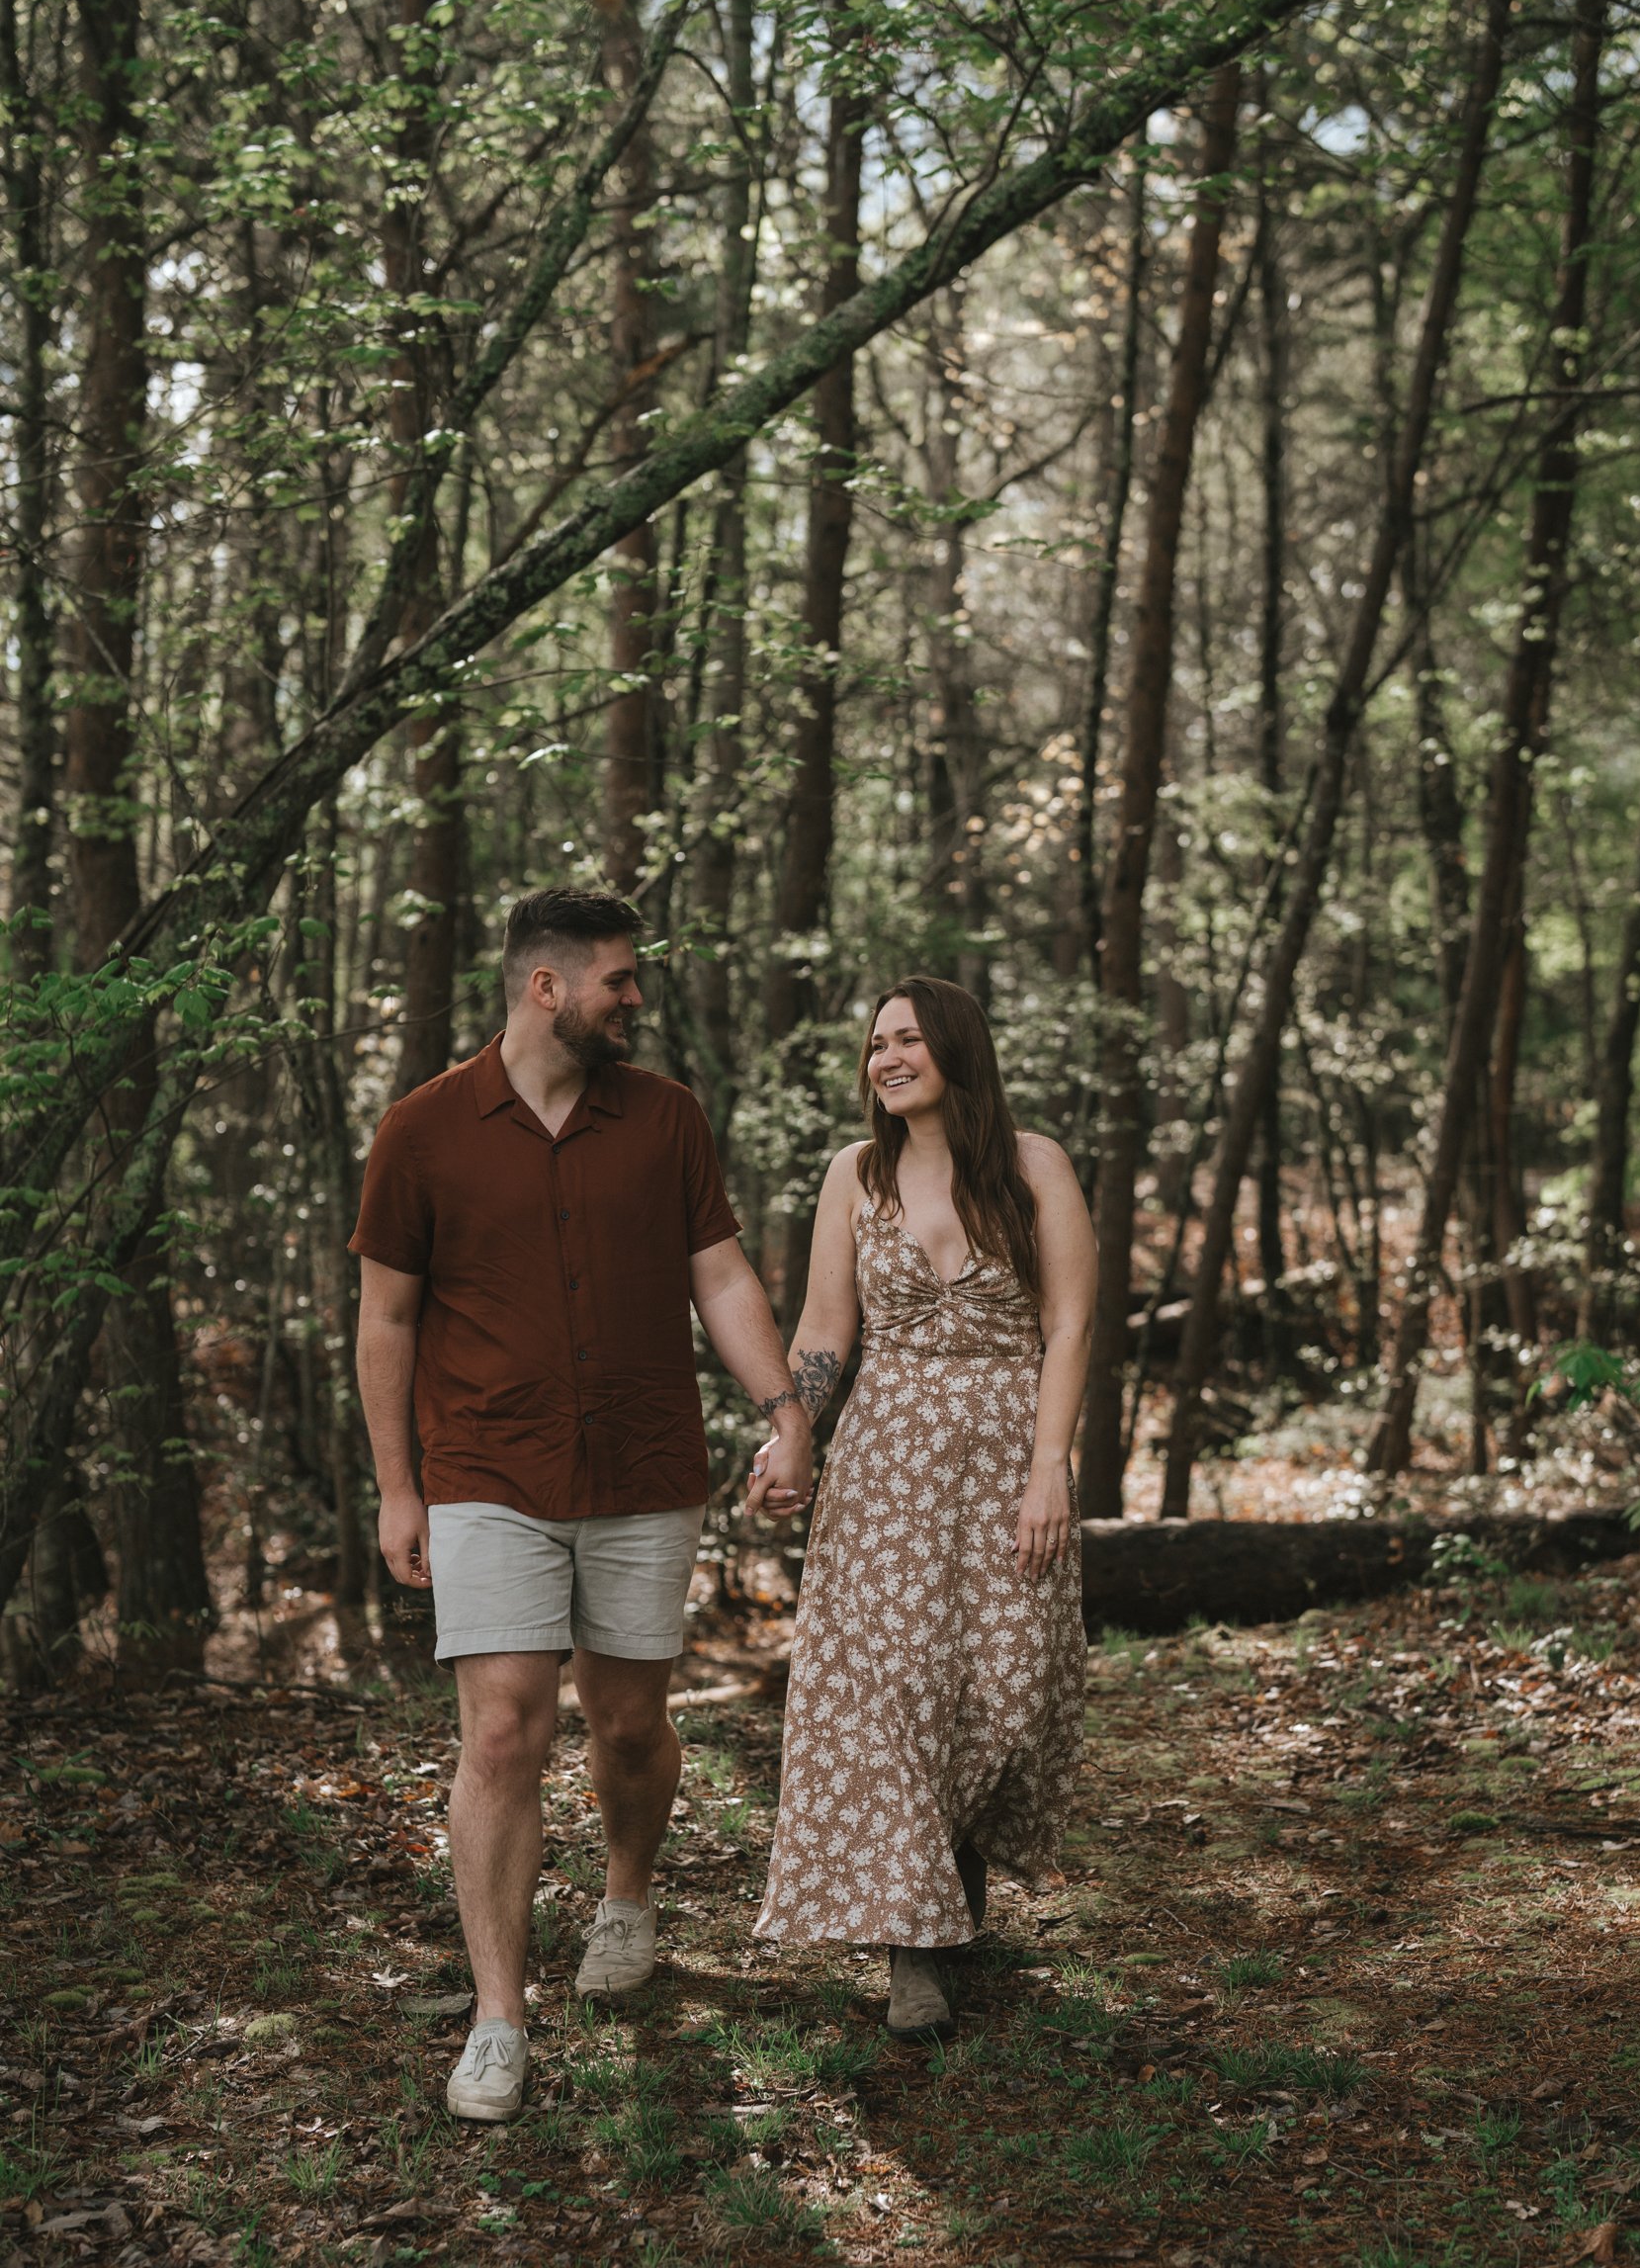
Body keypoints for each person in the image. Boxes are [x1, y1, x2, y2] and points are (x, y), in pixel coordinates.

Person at [350, 889, 812, 2123]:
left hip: (642, 1468)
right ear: (546, 987)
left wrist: (783, 1408)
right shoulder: (425, 1129)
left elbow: (718, 1273)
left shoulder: (666, 1119)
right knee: (503, 1728)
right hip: (488, 1470)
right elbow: (386, 1317)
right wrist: (399, 1488)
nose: (636, 997)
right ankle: (499, 2016)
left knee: (625, 1724)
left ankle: (626, 1894)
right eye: (618, 978)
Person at [749, 975, 1096, 2039]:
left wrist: (1051, 1468)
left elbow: (1073, 1324)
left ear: (954, 1049)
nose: (886, 1058)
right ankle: (916, 1947)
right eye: (874, 1045)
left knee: (1003, 1686)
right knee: (895, 1688)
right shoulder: (855, 1173)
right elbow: (821, 1326)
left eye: (906, 1040)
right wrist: (790, 1426)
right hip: (887, 1463)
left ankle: (955, 1868)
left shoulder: (1032, 1165)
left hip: (1006, 1456)